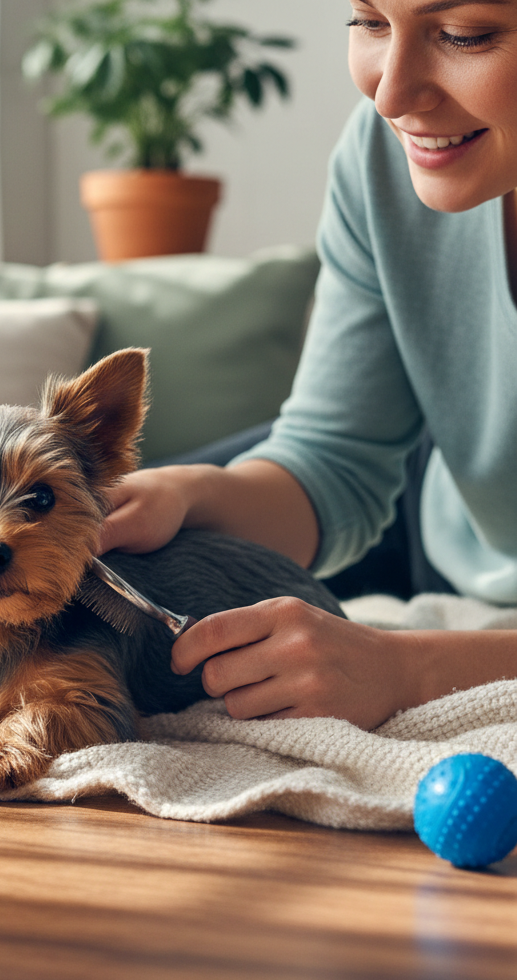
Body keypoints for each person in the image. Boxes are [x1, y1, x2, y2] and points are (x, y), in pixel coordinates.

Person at [98, 0, 517, 730]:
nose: (388, 94)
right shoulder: (386, 156)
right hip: (443, 510)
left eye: (464, 35)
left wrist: (409, 668)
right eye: (370, 21)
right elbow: (333, 461)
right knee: (119, 517)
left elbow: (399, 664)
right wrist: (196, 494)